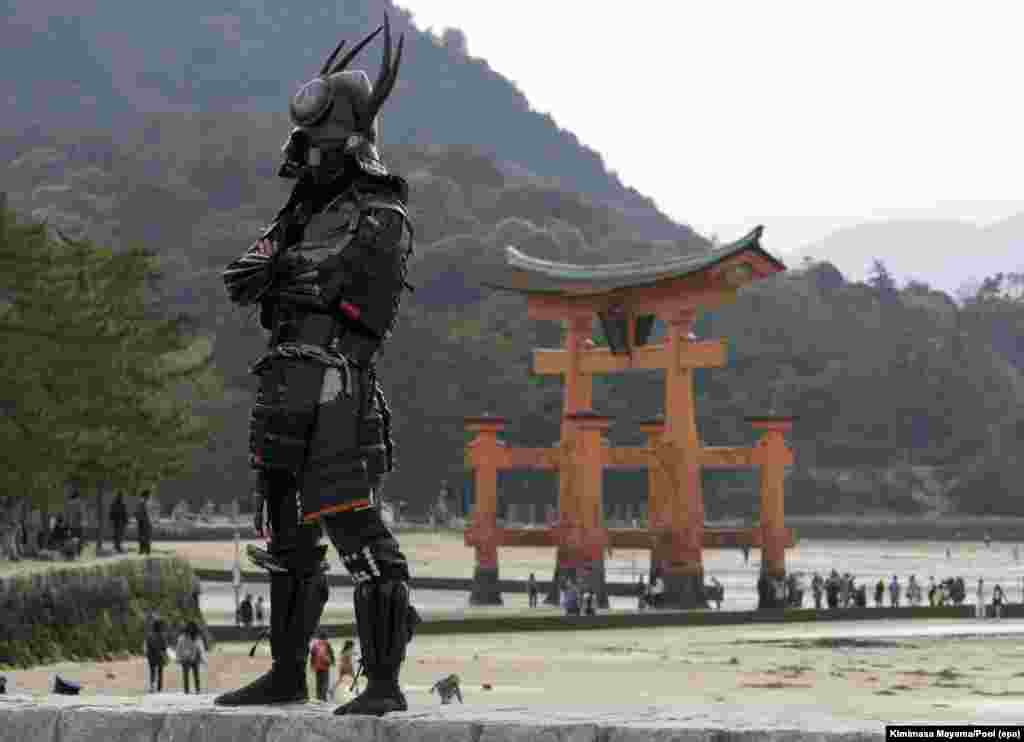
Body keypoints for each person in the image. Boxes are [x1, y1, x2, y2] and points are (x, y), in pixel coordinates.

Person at [215, 16, 420, 717]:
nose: (309, 158)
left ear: (350, 145)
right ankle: (283, 672)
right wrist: (296, 272)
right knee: (286, 538)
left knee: (357, 530)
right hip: (282, 383)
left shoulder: (384, 213)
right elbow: (243, 276)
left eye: (320, 146)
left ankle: (385, 682)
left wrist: (291, 274)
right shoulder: (300, 212)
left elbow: (362, 301)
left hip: (338, 384)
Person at [176, 621, 206, 694]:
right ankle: (188, 690)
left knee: (195, 674)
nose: (191, 630)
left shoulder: (196, 637)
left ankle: (196, 689)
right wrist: (178, 657)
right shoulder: (182, 637)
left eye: (192, 628)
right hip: (186, 658)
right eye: (190, 628)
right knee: (188, 674)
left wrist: (202, 658)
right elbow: (179, 648)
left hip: (194, 658)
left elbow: (200, 648)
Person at [309, 631, 336, 701]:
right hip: (325, 666)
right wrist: (333, 662)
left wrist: (312, 666)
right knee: (325, 682)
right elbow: (331, 653)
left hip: (317, 666)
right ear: (326, 638)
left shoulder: (315, 644)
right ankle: (323, 697)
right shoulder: (327, 644)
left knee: (318, 682)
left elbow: (312, 655)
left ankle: (318, 697)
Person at [144, 618, 168, 692]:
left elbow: (147, 645)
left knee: (152, 672)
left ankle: (152, 687)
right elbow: (164, 647)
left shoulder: (149, 635)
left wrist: (147, 654)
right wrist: (164, 654)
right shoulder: (162, 635)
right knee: (160, 672)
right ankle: (159, 687)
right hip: (160, 656)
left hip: (151, 656)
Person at [135, 491, 153, 555]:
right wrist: (146, 522)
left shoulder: (142, 503)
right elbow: (143, 514)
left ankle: (143, 550)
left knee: (143, 536)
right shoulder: (142, 503)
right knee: (145, 536)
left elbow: (138, 514)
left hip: (143, 522)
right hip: (143, 523)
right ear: (145, 496)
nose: (149, 497)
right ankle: (145, 550)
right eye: (148, 496)